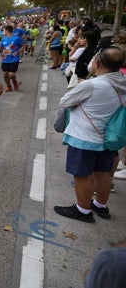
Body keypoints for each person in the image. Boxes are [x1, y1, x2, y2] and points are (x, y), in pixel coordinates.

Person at [54, 46, 126, 222]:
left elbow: (65, 101)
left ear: (98, 63)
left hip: (85, 138)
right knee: (103, 173)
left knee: (82, 175)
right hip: (110, 138)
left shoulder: (92, 85)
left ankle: (83, 210)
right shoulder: (123, 82)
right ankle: (100, 206)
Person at [0, 25, 25, 92]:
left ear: (7, 31)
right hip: (5, 59)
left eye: (3, 30)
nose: (2, 32)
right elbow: (0, 47)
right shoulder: (3, 38)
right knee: (5, 74)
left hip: (14, 58)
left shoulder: (16, 38)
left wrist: (18, 51)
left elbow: (24, 45)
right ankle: (8, 86)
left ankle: (14, 81)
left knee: (11, 74)